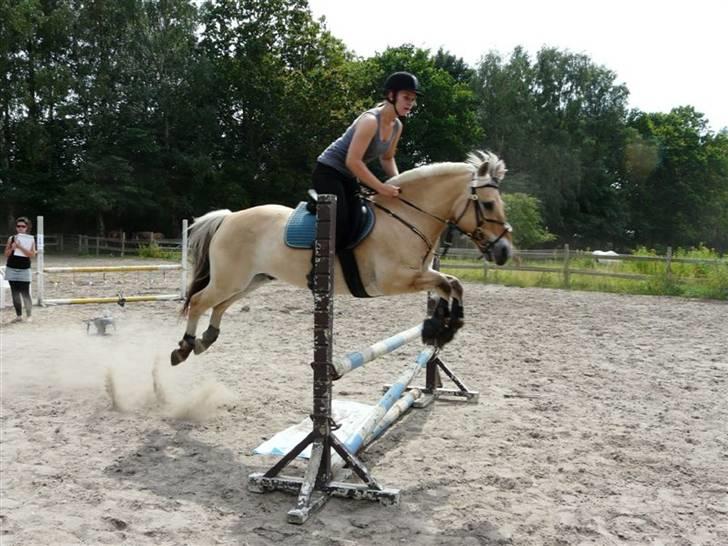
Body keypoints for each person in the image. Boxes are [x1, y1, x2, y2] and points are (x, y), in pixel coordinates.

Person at [312, 71, 422, 250]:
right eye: (406, 97)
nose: (411, 103)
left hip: (348, 176)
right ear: (391, 95)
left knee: (361, 219)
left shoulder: (397, 126)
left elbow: (387, 158)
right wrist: (381, 187)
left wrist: (401, 183)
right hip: (328, 172)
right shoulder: (370, 121)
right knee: (341, 219)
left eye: (413, 99)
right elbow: (352, 161)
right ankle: (316, 267)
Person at [3, 216, 37, 323]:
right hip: (11, 268)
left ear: (27, 227)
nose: (21, 228)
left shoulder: (30, 239)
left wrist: (20, 247)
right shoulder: (11, 238)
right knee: (15, 293)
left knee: (25, 293)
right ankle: (18, 315)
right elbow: (6, 254)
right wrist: (12, 248)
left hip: (24, 269)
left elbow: (32, 254)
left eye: (23, 226)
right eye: (18, 226)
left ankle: (29, 315)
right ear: (16, 227)